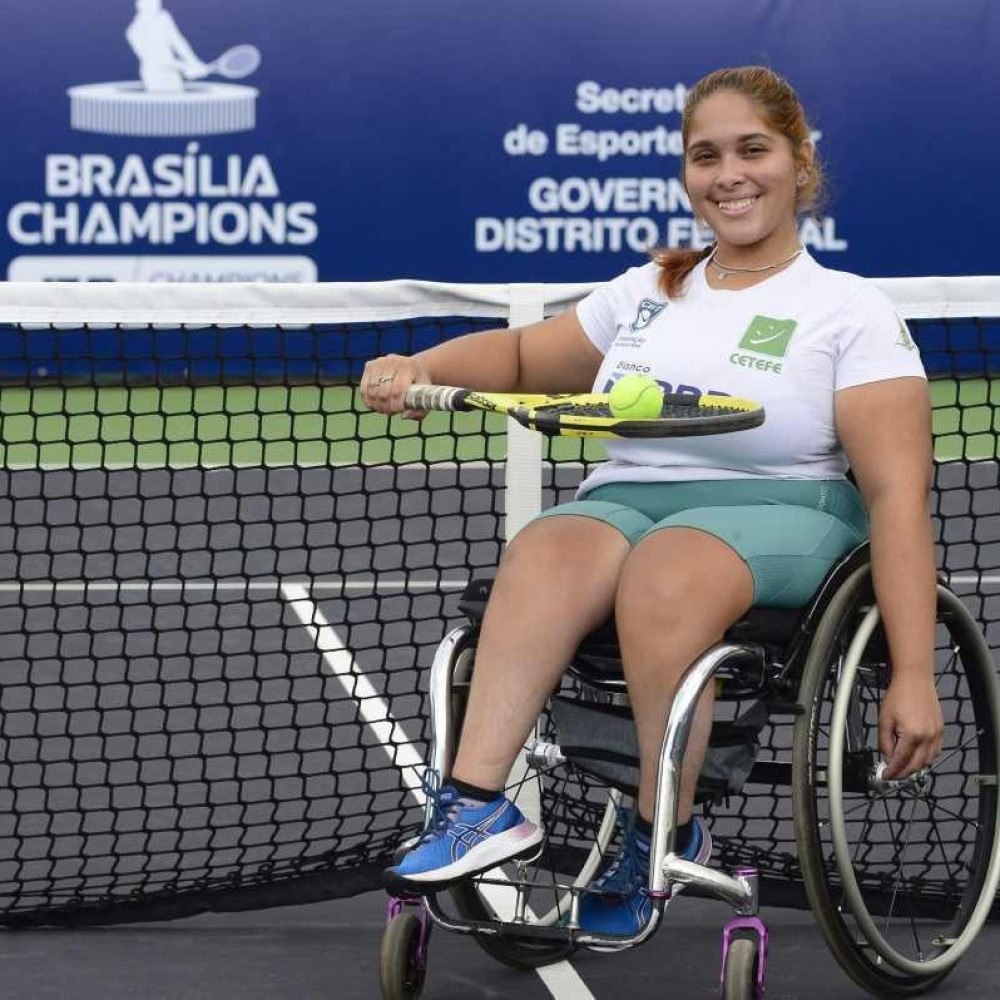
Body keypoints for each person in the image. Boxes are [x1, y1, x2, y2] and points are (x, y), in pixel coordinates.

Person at [363, 65, 943, 936]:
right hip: (631, 495)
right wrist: (424, 367)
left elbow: (898, 495)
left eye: (753, 149)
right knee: (544, 549)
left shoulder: (848, 310)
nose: (730, 174)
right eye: (706, 156)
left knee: (667, 572)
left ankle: (658, 833)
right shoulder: (650, 291)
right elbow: (524, 358)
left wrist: (914, 673)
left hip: (787, 506)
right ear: (686, 175)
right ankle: (478, 805)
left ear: (800, 163)